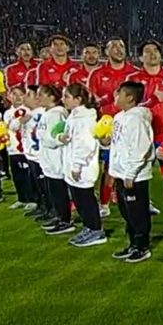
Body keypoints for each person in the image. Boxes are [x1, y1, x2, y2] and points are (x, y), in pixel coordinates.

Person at [127, 40, 163, 243]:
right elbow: (128, 106)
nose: (152, 54)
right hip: (141, 136)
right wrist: (153, 99)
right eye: (147, 51)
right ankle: (138, 223)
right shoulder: (134, 79)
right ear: (140, 57)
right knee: (136, 178)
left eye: (156, 50)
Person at [88, 37, 138, 217]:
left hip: (130, 126)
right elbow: (91, 102)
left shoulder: (134, 73)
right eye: (114, 47)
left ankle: (136, 200)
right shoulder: (97, 74)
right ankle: (103, 202)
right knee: (109, 167)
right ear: (106, 52)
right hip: (107, 128)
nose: (118, 49)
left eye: (121, 46)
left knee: (133, 165)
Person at [107, 81, 155, 263]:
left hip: (134, 176)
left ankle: (142, 246)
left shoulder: (136, 120)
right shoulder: (120, 117)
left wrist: (130, 174)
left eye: (118, 93)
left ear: (130, 97)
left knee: (137, 213)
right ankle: (133, 243)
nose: (115, 95)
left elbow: (140, 148)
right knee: (126, 212)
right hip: (121, 173)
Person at [60, 83, 106, 247]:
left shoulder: (86, 119)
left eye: (66, 96)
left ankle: (96, 230)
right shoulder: (74, 116)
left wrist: (77, 165)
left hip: (83, 167)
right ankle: (89, 227)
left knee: (86, 199)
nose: (62, 99)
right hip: (74, 164)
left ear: (78, 99)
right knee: (79, 199)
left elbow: (86, 144)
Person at [35, 85, 72, 235]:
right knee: (54, 191)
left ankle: (65, 220)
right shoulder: (48, 113)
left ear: (51, 97)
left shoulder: (57, 114)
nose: (37, 97)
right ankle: (59, 217)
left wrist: (46, 138)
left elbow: (57, 137)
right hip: (49, 159)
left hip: (56, 160)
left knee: (59, 191)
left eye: (40, 94)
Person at [3, 85, 38, 210]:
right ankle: (21, 198)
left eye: (20, 94)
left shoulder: (28, 110)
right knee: (16, 175)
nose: (17, 97)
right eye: (14, 94)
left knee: (28, 175)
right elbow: (8, 128)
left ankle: (32, 199)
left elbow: (16, 126)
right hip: (12, 149)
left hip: (24, 149)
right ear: (9, 96)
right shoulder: (7, 113)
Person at [21, 85, 49, 220]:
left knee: (43, 185)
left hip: (38, 156)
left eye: (28, 94)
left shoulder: (40, 114)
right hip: (30, 154)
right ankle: (41, 206)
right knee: (35, 184)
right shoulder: (28, 113)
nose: (24, 97)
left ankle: (48, 208)